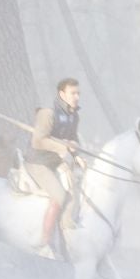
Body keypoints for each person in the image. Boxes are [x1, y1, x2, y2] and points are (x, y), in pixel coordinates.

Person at [28, 77, 84, 249]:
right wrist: (63, 147)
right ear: (62, 94)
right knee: (60, 196)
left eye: (78, 93)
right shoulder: (47, 113)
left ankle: (67, 232)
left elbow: (73, 140)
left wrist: (77, 154)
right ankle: (44, 240)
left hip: (58, 162)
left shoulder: (74, 116)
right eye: (72, 93)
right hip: (39, 163)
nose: (77, 97)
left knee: (76, 191)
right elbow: (38, 141)